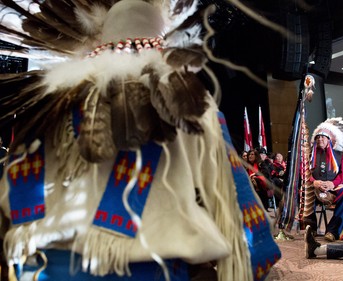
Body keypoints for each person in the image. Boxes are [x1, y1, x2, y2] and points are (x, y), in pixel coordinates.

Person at [0, 1, 281, 281]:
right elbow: (240, 211)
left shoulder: (50, 103)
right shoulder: (187, 101)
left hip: (39, 269)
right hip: (148, 270)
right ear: (162, 41)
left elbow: (9, 193)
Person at [303, 122, 343, 242]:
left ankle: (333, 231)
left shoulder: (339, 155)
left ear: (329, 139)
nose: (320, 139)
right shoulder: (309, 155)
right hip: (314, 187)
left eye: (323, 137)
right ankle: (310, 227)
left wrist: (333, 183)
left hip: (333, 187)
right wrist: (313, 181)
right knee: (305, 190)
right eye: (318, 137)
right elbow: (303, 172)